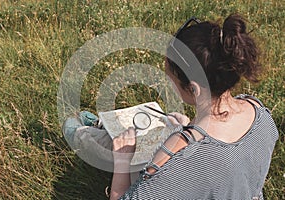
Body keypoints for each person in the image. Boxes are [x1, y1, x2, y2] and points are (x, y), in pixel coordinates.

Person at [109, 14, 279, 199]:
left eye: (170, 77)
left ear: (193, 88)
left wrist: (122, 160)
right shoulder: (261, 114)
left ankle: (84, 131)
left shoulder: (180, 157)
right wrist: (190, 127)